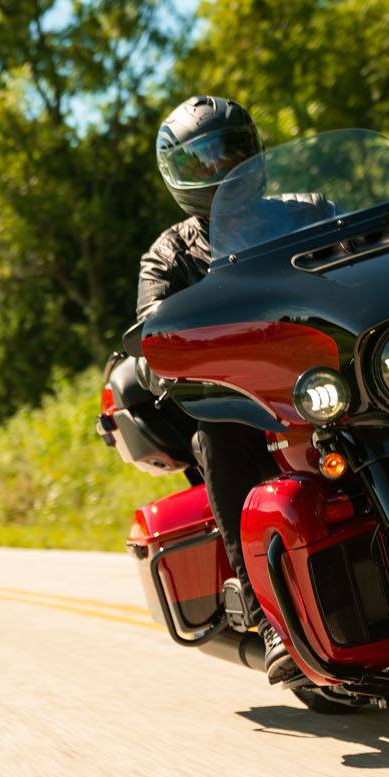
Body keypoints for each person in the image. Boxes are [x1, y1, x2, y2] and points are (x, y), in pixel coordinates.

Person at [136, 95, 290, 681]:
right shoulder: (170, 254)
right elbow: (149, 330)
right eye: (202, 161)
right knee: (216, 439)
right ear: (179, 176)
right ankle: (266, 614)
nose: (222, 170)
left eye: (231, 151)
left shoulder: (303, 208)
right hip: (245, 398)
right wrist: (156, 354)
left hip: (327, 369)